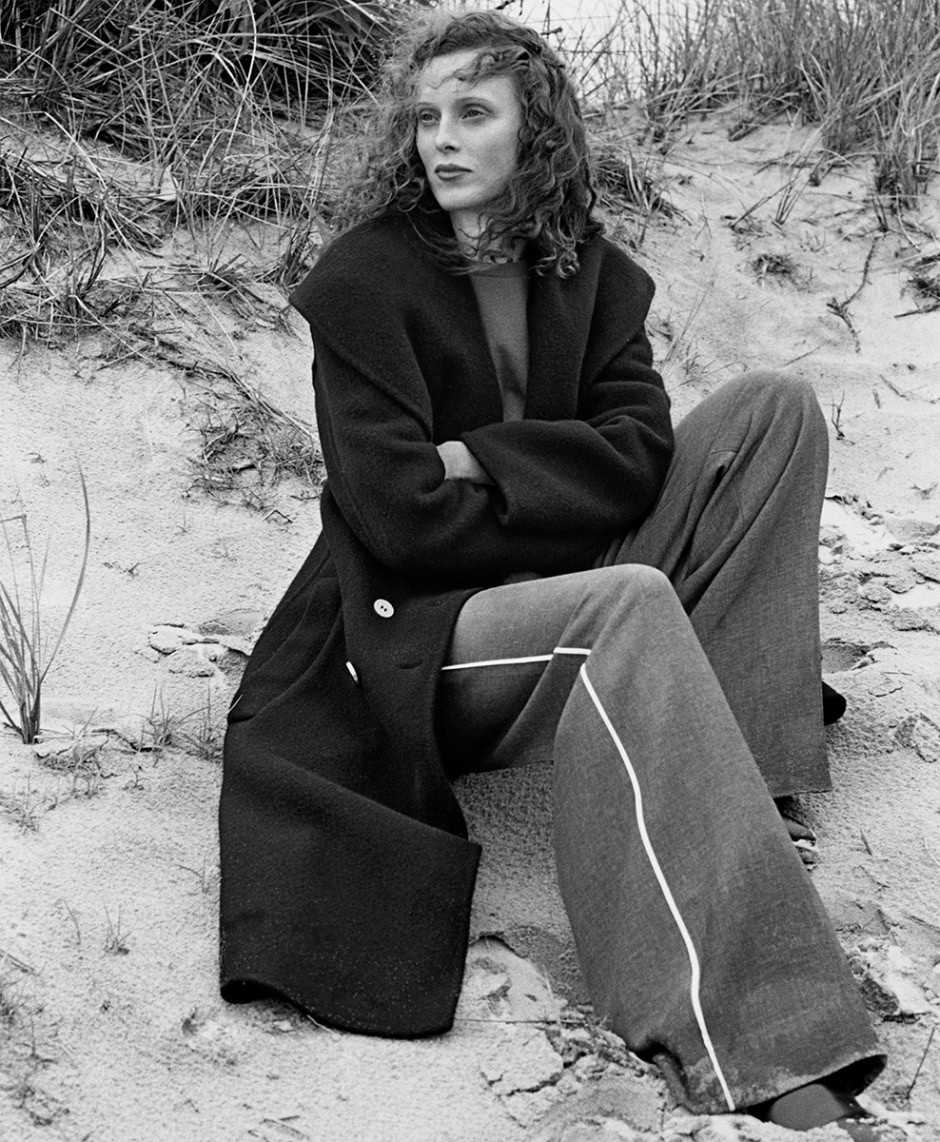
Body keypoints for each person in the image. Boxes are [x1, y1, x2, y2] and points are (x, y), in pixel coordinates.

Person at [219, 9, 887, 1137]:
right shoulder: (362, 284)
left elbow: (640, 447)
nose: (440, 137)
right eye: (425, 115)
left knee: (770, 407)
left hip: (564, 578)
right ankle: (749, 1037)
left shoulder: (588, 273)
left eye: (472, 112)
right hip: (419, 631)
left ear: (537, 134)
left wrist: (482, 455)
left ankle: (747, 766)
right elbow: (401, 519)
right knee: (624, 598)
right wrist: (562, 504)